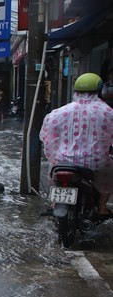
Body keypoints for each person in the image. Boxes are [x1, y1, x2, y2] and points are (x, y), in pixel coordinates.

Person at [40, 73, 113, 216]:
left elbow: (47, 137)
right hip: (96, 163)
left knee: (53, 170)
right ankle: (102, 208)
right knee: (109, 173)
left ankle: (55, 202)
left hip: (63, 161)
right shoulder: (107, 113)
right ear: (99, 91)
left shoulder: (59, 112)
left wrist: (56, 156)